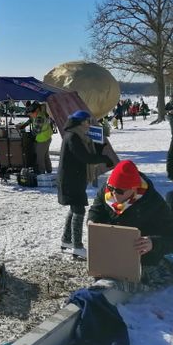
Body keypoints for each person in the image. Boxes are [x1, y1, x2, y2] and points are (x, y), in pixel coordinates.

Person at [87, 160, 173, 288]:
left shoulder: (154, 202)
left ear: (134, 189)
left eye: (119, 191)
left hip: (142, 261)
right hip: (110, 254)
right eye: (111, 188)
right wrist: (92, 221)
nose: (113, 194)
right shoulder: (107, 190)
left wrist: (153, 243)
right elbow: (96, 210)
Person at [57, 110, 113, 258]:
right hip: (70, 179)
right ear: (80, 122)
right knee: (79, 210)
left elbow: (89, 153)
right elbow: (85, 157)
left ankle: (67, 240)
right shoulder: (73, 137)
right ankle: (77, 246)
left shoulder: (80, 136)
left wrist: (100, 144)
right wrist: (104, 158)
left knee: (74, 209)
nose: (89, 124)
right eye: (87, 122)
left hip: (75, 178)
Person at [16, 102, 54, 174]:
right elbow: (30, 120)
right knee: (45, 156)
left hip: (43, 139)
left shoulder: (39, 118)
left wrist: (28, 135)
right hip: (46, 138)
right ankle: (49, 171)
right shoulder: (37, 115)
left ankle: (41, 173)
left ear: (35, 111)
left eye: (31, 114)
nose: (30, 115)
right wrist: (23, 126)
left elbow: (36, 131)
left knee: (40, 157)